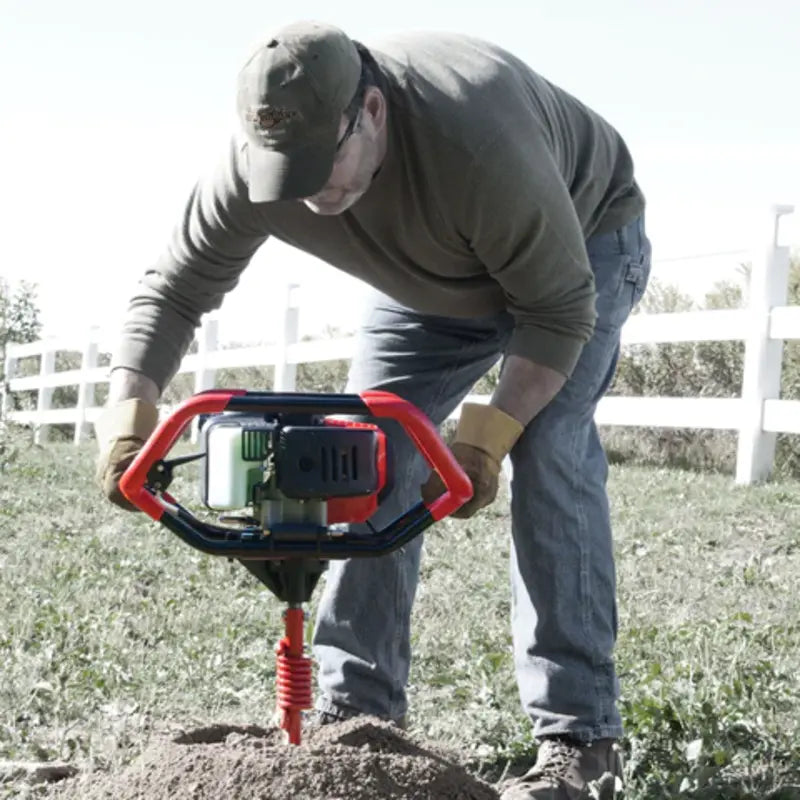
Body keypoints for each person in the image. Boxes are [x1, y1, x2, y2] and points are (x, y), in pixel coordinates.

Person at [94, 20, 651, 799]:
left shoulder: (477, 140)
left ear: (374, 112)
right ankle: (357, 718)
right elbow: (174, 289)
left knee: (548, 451)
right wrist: (130, 415)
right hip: (431, 285)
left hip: (582, 245)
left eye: (326, 164)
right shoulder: (257, 167)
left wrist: (487, 438)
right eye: (290, 173)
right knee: (363, 456)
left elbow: (558, 312)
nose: (316, 193)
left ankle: (581, 740)